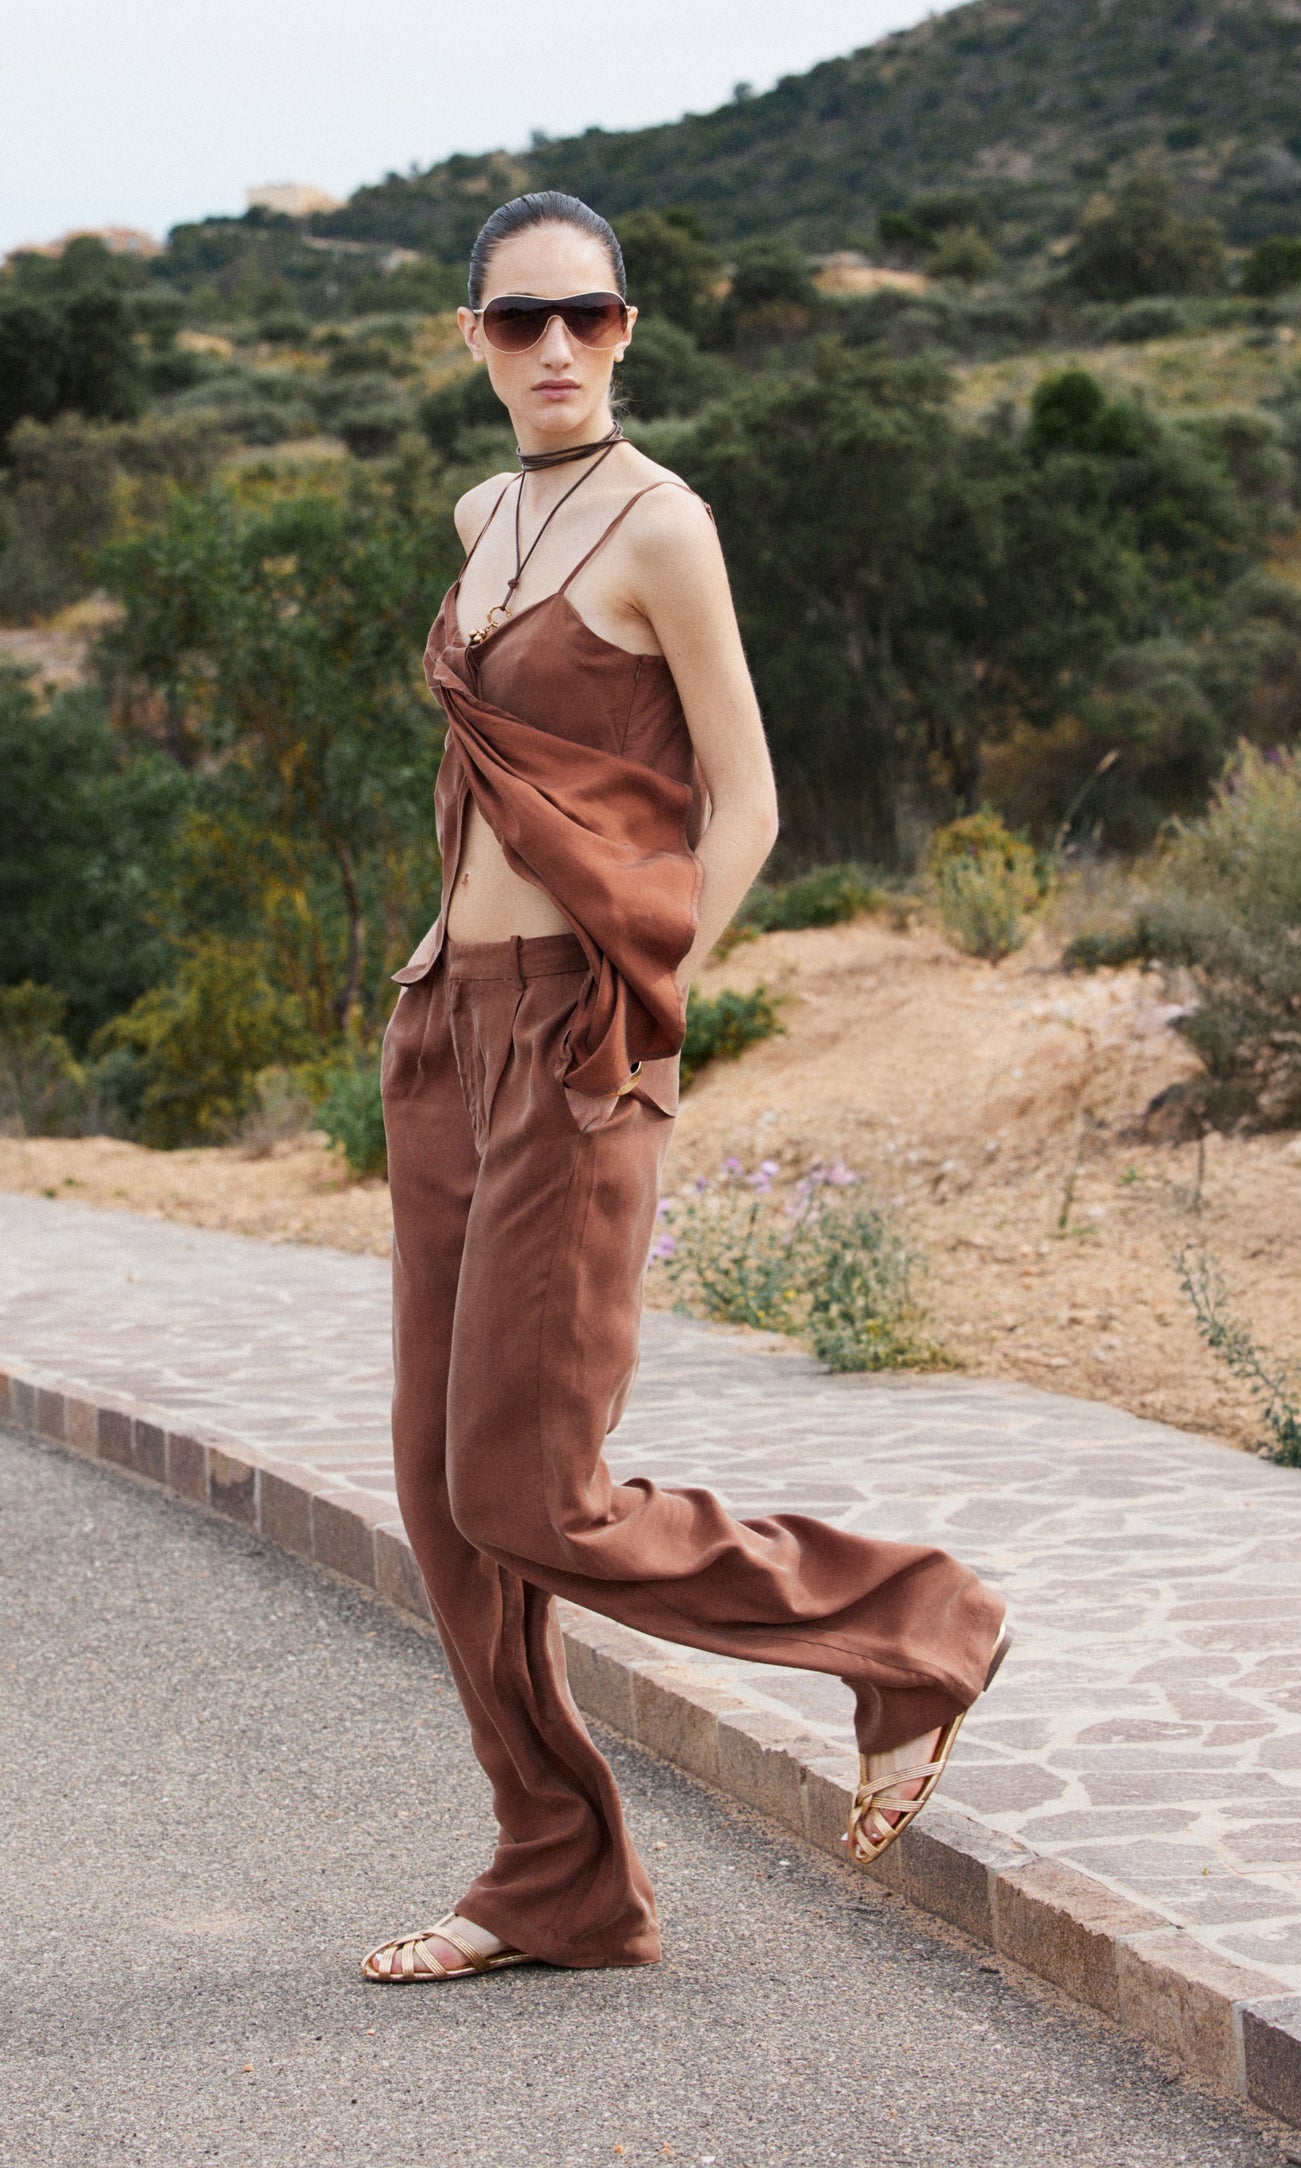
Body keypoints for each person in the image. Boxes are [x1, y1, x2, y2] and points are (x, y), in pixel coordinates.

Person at [364, 192, 1009, 1985]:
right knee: (441, 1499)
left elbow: (747, 798)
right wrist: (432, 970)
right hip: (448, 1030)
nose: (553, 346)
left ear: (626, 328)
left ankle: (910, 1622)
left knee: (529, 1493)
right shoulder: (483, 515)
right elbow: (491, 775)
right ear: (473, 339)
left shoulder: (662, 525)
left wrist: (642, 999)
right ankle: (553, 1877)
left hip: (582, 1030)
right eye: (518, 319)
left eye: (585, 314)